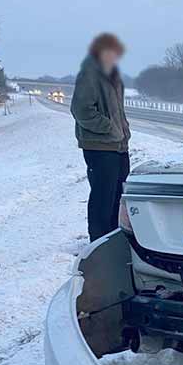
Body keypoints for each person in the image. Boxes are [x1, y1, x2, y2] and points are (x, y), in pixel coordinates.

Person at [71, 33, 131, 242]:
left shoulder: (112, 75)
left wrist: (123, 131)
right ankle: (98, 241)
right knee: (102, 198)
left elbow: (117, 110)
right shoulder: (90, 74)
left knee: (118, 195)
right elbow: (81, 110)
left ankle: (113, 238)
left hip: (118, 146)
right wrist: (110, 128)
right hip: (100, 146)